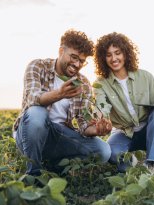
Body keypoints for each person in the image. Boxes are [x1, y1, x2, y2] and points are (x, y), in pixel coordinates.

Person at [13, 29, 112, 176]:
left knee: (103, 151)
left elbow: (83, 123)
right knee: (37, 113)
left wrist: (96, 130)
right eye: (73, 57)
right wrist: (59, 94)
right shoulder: (37, 66)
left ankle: (54, 165)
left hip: (59, 135)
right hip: (30, 134)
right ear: (61, 51)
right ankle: (33, 174)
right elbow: (33, 98)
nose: (77, 64)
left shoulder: (83, 83)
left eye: (82, 61)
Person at [93, 32, 154, 173]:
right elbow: (102, 107)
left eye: (117, 53)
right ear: (103, 58)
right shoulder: (101, 83)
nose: (114, 58)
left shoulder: (146, 77)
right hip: (123, 133)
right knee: (113, 154)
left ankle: (152, 164)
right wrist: (100, 118)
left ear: (125, 53)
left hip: (148, 131)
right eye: (108, 55)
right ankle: (131, 161)